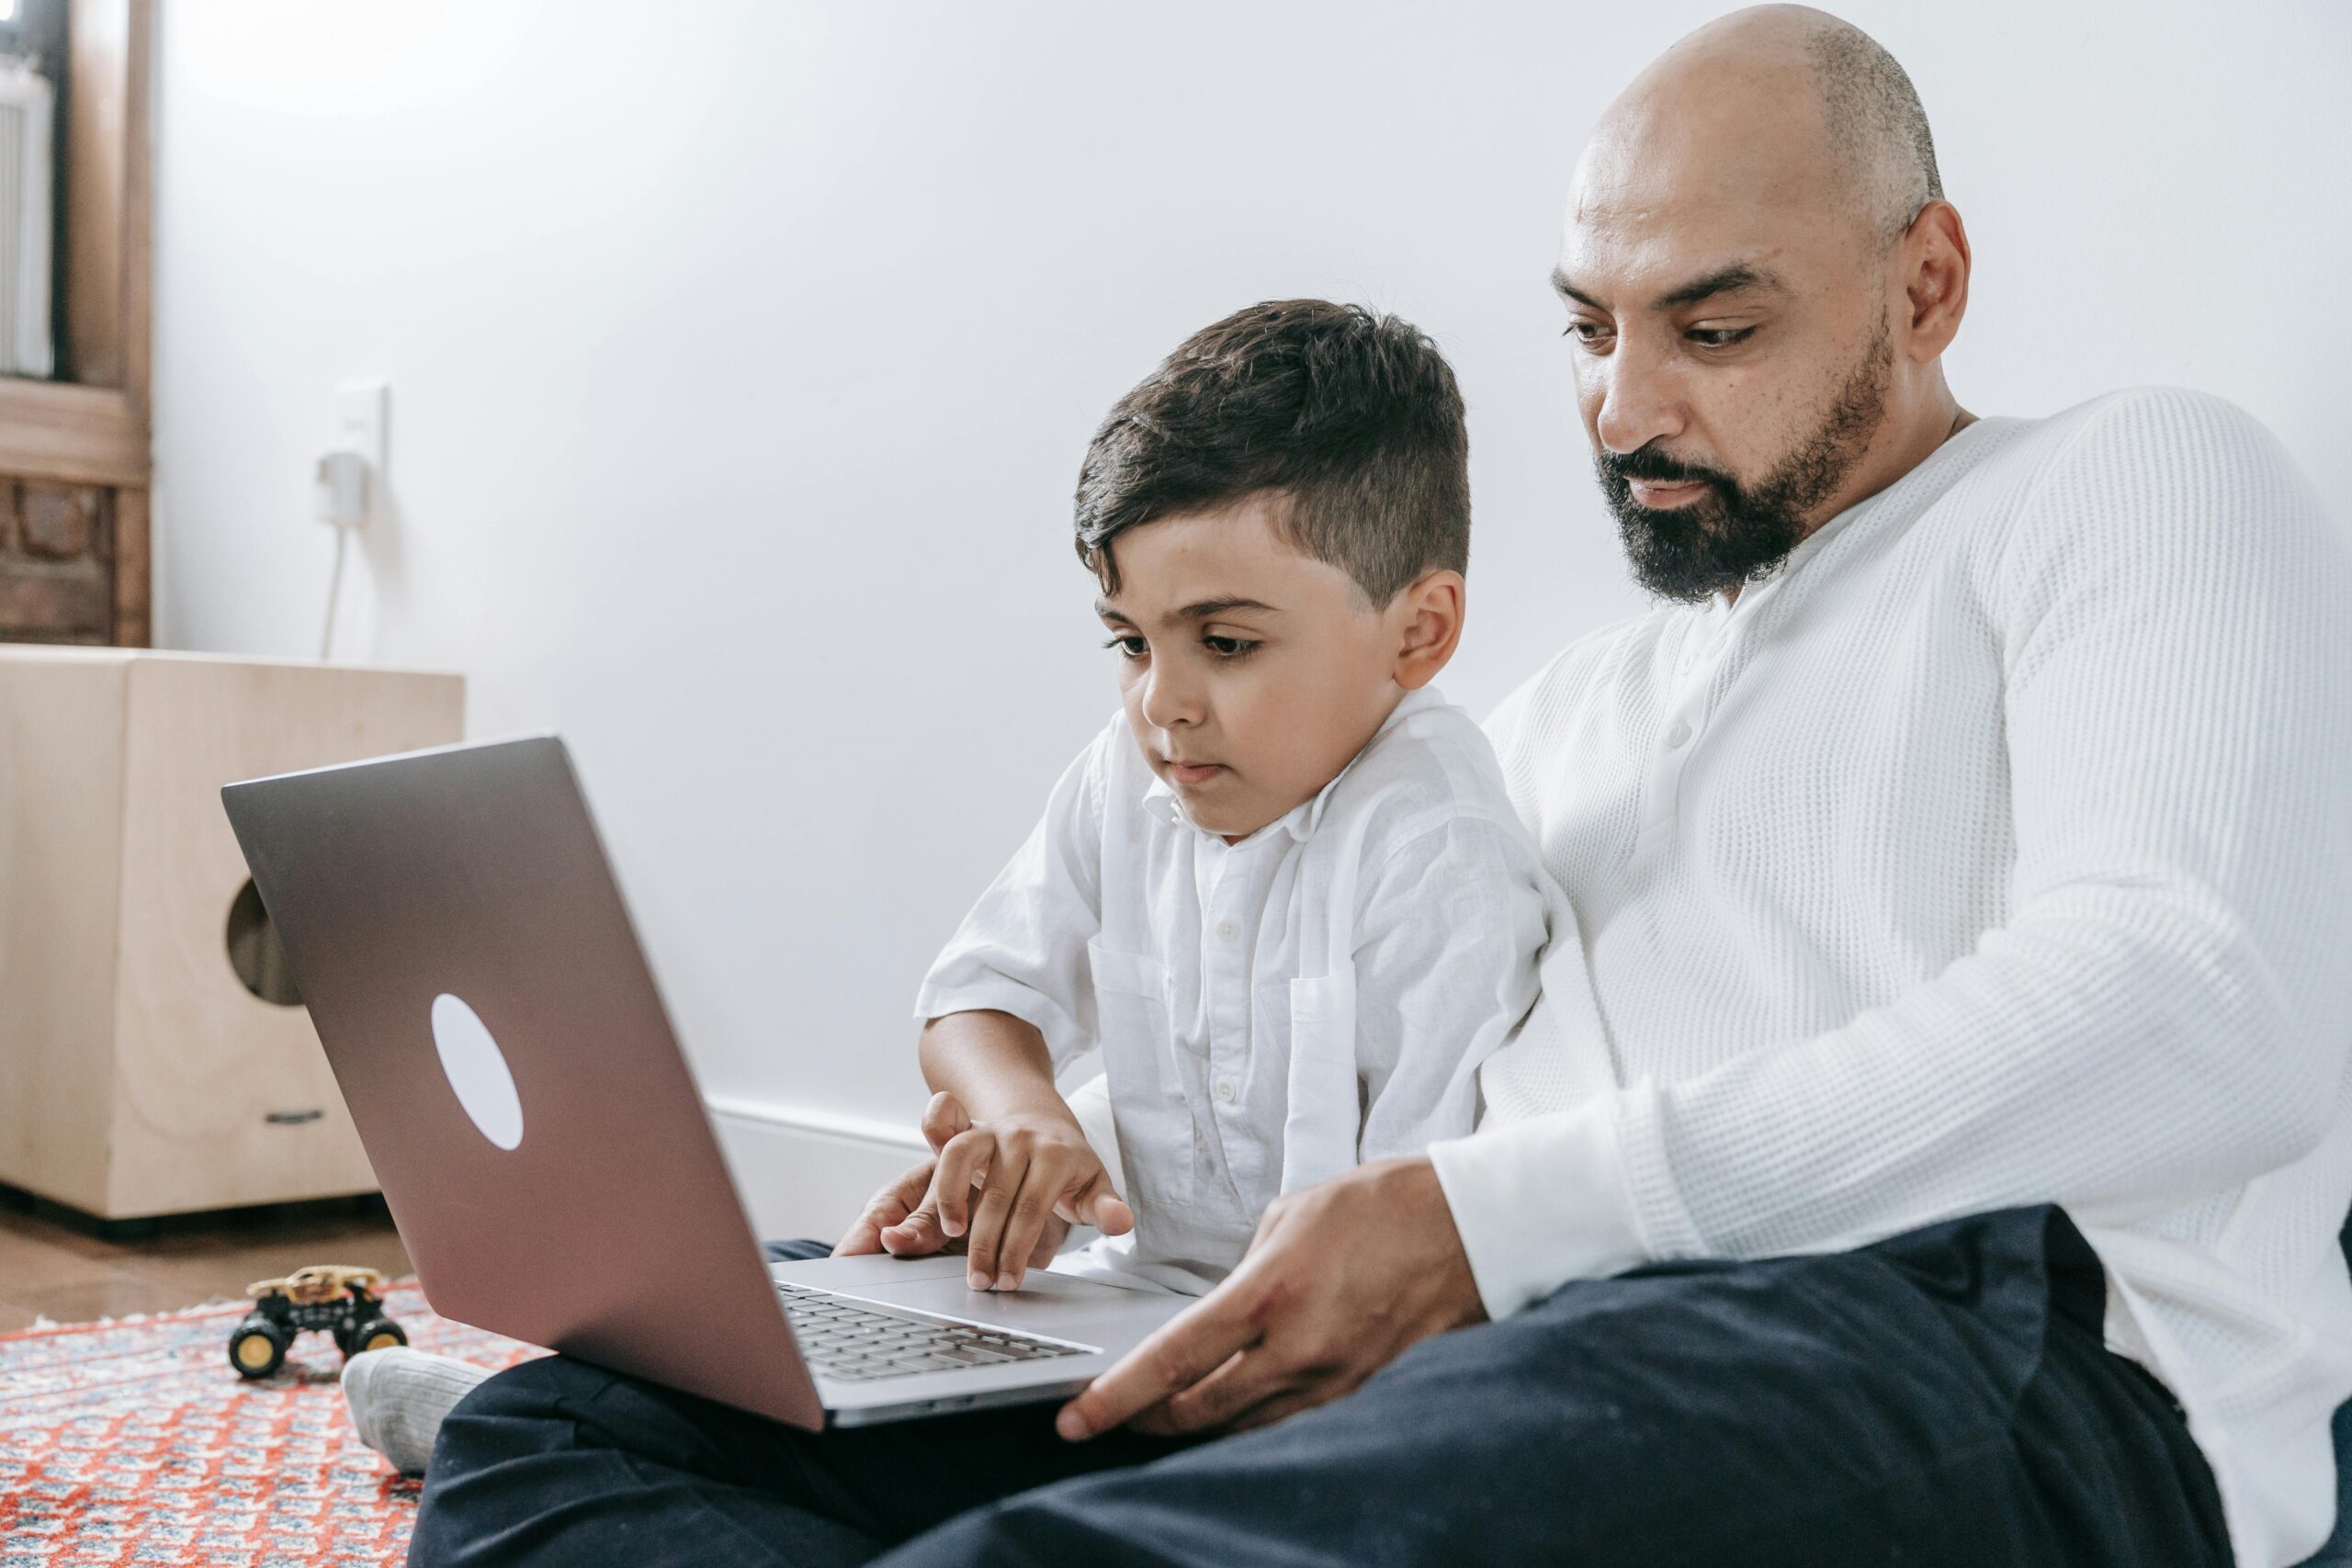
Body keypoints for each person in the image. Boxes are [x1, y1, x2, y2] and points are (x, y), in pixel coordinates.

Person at [409, 6, 2352, 1566]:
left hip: (1968, 1339)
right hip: (1472, 1342)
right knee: (566, 1422)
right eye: (1589, 327)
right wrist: (1054, 1155)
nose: (1616, 407)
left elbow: (2197, 1002)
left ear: (1923, 279)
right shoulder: (1553, 710)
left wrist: (1487, 1221)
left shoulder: (2121, 480)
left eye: (1713, 324)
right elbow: (1363, 1036)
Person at [896, 297, 1565, 1301]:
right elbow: (972, 998)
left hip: (1319, 1347)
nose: (1161, 702)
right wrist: (1025, 1115)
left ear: (1417, 633)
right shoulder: (1126, 777)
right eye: (1130, 641)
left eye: (1227, 644)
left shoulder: (1433, 848)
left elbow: (1416, 1237)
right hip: (1127, 1293)